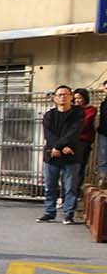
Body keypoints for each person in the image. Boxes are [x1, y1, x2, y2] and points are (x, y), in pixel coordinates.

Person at [39, 85, 84, 224]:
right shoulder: (49, 115)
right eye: (59, 95)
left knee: (70, 187)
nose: (62, 97)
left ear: (71, 97)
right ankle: (49, 212)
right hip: (52, 156)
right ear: (55, 98)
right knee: (50, 186)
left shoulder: (78, 114)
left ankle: (68, 214)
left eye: (65, 94)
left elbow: (73, 132)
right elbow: (48, 134)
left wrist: (59, 146)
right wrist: (57, 147)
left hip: (71, 155)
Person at [73, 88, 96, 195]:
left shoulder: (91, 110)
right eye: (75, 98)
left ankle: (76, 192)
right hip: (70, 141)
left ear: (85, 98)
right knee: (67, 168)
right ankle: (65, 194)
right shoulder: (72, 109)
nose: (77, 100)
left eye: (80, 98)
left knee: (79, 167)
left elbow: (85, 124)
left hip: (83, 141)